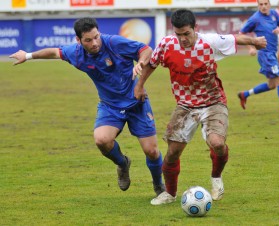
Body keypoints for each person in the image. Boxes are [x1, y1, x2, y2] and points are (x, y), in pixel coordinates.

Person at [9, 17, 166, 201]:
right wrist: (27, 56)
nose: (95, 43)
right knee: (101, 140)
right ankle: (123, 163)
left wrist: (140, 63)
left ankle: (158, 185)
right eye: (88, 40)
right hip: (110, 106)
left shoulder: (113, 42)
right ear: (78, 41)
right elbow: (54, 52)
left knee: (152, 151)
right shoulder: (75, 53)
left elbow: (146, 50)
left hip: (136, 101)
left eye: (96, 37)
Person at [134, 9, 267, 205]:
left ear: (195, 28)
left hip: (213, 102)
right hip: (185, 106)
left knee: (217, 144)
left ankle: (216, 177)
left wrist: (255, 42)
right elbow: (152, 64)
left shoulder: (209, 42)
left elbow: (235, 38)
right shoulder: (166, 45)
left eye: (186, 34)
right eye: (178, 34)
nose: (182, 39)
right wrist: (139, 85)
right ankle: (169, 194)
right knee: (172, 153)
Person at [238, 0, 279, 116]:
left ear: (269, 4)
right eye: (261, 4)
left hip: (272, 54)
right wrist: (250, 48)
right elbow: (241, 34)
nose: (264, 6)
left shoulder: (273, 14)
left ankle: (245, 94)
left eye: (265, 4)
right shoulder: (255, 18)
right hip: (265, 55)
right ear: (258, 6)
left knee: (272, 84)